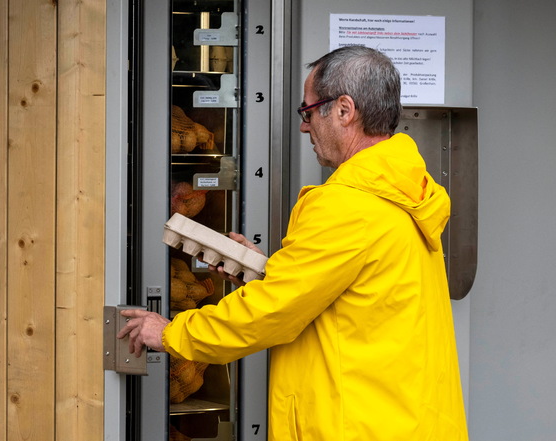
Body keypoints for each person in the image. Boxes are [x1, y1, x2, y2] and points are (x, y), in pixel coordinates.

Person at [118, 46, 469, 440]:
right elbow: (347, 297)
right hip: (407, 420)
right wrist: (272, 273)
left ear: (343, 110)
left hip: (355, 426)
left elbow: (270, 313)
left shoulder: (347, 205)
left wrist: (171, 333)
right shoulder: (403, 192)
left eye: (307, 112)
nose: (304, 127)